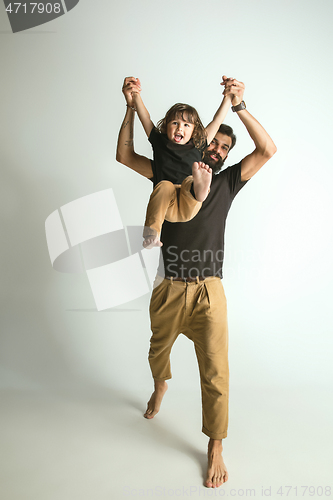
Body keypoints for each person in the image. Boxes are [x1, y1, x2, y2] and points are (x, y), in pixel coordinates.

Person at [116, 76, 277, 488]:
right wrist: (131, 105)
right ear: (200, 146)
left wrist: (238, 106)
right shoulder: (166, 172)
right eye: (215, 145)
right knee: (157, 351)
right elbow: (123, 154)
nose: (219, 150)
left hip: (209, 290)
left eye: (226, 148)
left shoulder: (228, 182)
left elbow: (268, 150)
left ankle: (216, 444)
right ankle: (160, 384)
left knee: (216, 372)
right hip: (170, 284)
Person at [129, 78, 232, 248]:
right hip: (167, 206)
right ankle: (152, 235)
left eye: (186, 125)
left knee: (188, 182)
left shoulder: (198, 145)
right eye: (175, 123)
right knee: (164, 186)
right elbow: (145, 117)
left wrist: (227, 98)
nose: (180, 129)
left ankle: (201, 189)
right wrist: (136, 96)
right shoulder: (159, 142)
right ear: (166, 126)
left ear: (194, 131)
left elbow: (217, 121)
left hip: (188, 202)